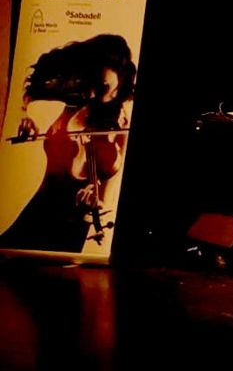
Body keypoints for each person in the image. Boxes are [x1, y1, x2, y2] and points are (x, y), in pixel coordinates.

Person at [1, 34, 136, 252]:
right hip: (36, 218)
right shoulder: (70, 102)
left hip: (73, 233)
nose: (91, 93)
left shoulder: (123, 126)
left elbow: (105, 201)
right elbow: (25, 93)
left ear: (119, 86)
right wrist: (23, 115)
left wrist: (92, 206)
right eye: (90, 82)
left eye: (102, 87)